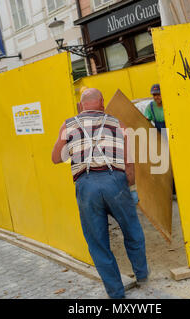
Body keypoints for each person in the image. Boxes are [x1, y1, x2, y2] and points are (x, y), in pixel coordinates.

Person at [51, 88, 149, 299]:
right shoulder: (117, 123)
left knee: (97, 241)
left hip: (86, 186)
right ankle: (142, 275)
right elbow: (128, 158)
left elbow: (56, 158)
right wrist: (128, 181)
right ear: (102, 103)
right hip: (115, 182)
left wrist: (73, 147)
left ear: (81, 105)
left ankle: (115, 292)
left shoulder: (68, 125)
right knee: (132, 229)